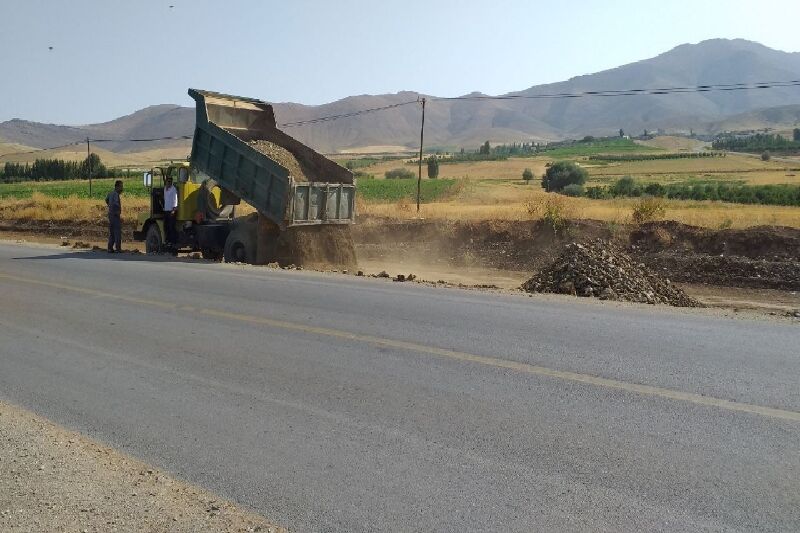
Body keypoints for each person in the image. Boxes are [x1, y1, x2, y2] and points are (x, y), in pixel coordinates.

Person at [105, 180, 123, 253]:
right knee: (117, 232)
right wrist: (117, 211)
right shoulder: (116, 194)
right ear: (117, 186)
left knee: (112, 232)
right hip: (115, 215)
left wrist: (110, 206)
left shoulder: (110, 193)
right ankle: (118, 249)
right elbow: (116, 204)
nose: (122, 188)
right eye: (121, 186)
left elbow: (106, 200)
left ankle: (110, 248)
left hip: (110, 215)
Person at [163, 176, 178, 248]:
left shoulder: (173, 189)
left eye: (170, 181)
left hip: (171, 211)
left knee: (171, 226)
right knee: (166, 226)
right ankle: (167, 240)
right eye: (168, 181)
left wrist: (174, 210)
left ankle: (173, 242)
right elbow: (165, 199)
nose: (169, 182)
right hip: (166, 210)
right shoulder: (165, 189)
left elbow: (175, 200)